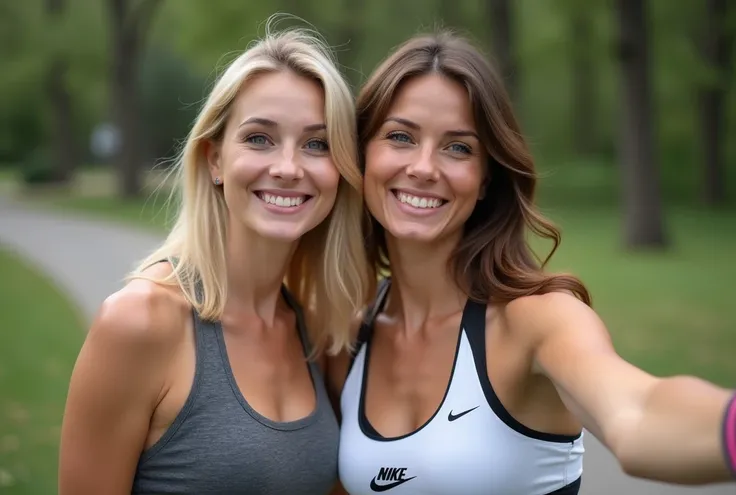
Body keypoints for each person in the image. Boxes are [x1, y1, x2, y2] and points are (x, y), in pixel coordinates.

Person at [327, 31, 736, 495]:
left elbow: (637, 412)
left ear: (485, 179)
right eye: (400, 137)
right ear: (362, 155)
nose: (424, 167)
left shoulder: (535, 318)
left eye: (458, 147)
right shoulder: (350, 340)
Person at [58, 21, 372, 495]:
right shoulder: (139, 323)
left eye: (317, 144)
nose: (288, 167)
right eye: (259, 138)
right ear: (215, 159)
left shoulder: (316, 332)